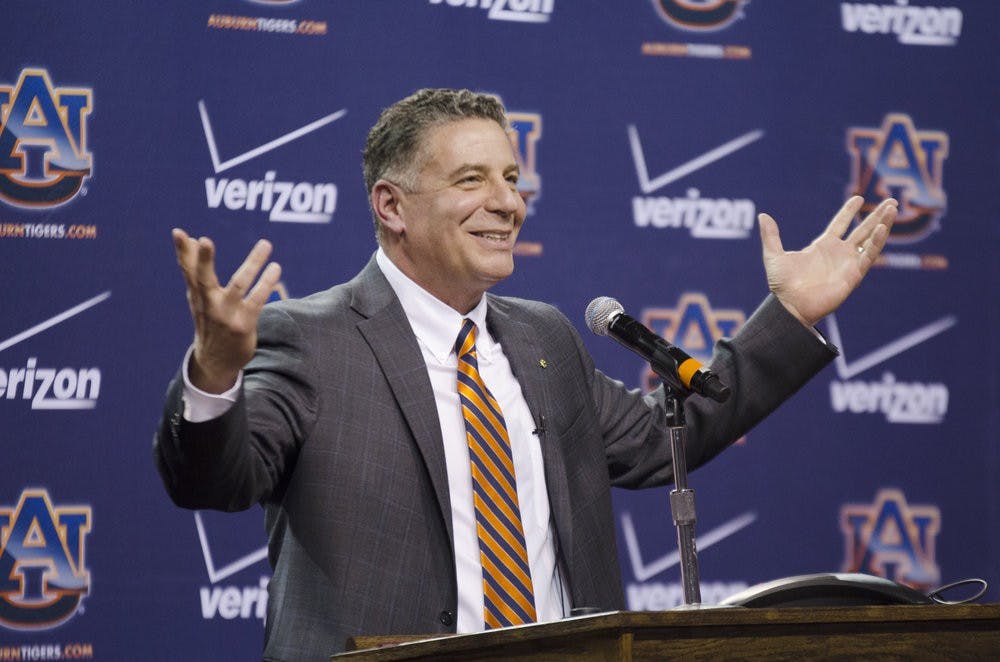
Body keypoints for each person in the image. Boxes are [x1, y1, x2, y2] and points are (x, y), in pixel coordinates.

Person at [155, 88, 897, 660]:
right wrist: (216, 372)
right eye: (472, 180)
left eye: (511, 178)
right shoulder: (312, 338)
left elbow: (673, 433)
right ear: (392, 206)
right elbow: (213, 483)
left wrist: (791, 313)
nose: (508, 202)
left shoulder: (543, 337)